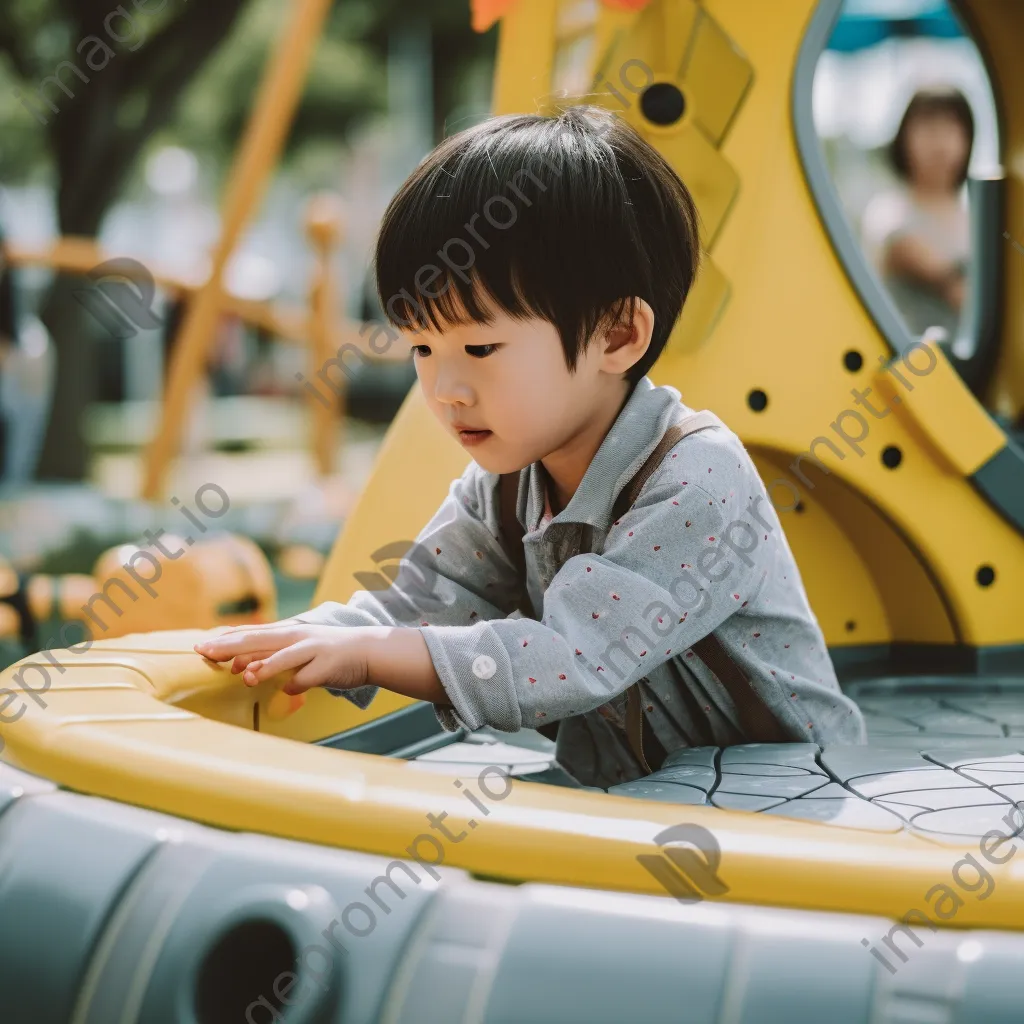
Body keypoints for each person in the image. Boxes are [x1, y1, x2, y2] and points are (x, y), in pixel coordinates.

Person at [194, 105, 866, 788]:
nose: (446, 388)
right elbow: (416, 604)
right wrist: (300, 639)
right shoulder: (509, 484)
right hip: (639, 790)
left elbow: (573, 656)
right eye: (423, 347)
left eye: (480, 346)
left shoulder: (697, 477)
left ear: (617, 336)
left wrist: (367, 654)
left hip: (792, 788)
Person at [861, 86, 974, 344]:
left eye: (951, 127)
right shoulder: (889, 214)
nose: (940, 142)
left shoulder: (973, 217)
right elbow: (961, 293)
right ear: (903, 138)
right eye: (928, 127)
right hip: (914, 373)